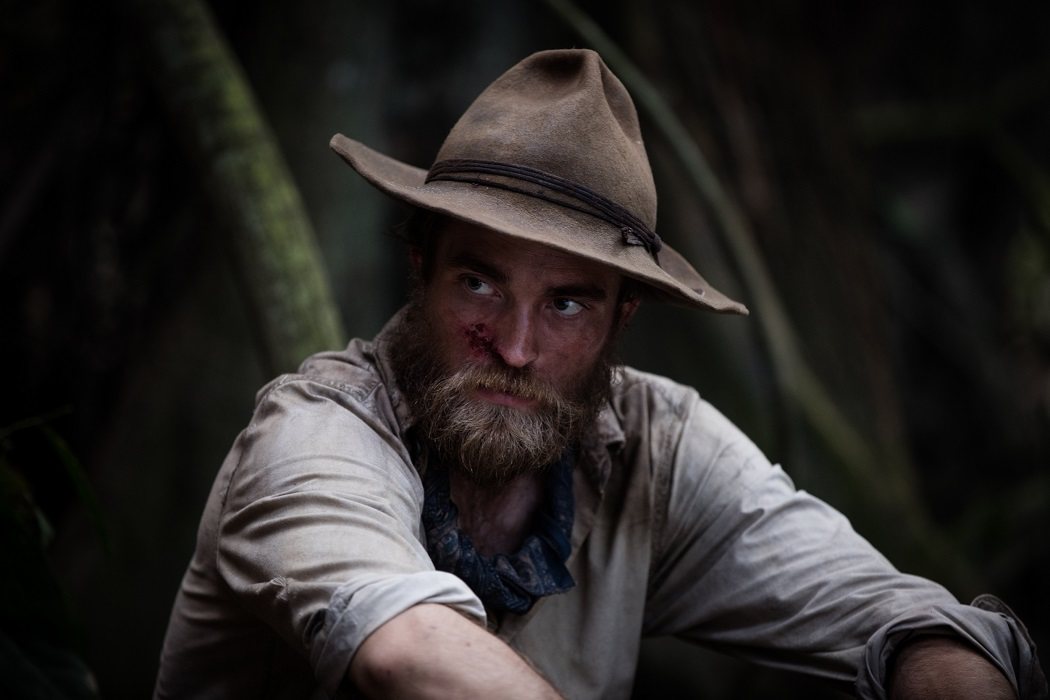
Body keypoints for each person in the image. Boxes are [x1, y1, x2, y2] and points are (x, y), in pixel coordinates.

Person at [154, 49, 1045, 699]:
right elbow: (409, 650)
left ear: (624, 316)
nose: (515, 346)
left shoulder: (652, 447)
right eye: (479, 282)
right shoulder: (312, 433)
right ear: (419, 265)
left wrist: (949, 673)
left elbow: (889, 613)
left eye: (568, 304)